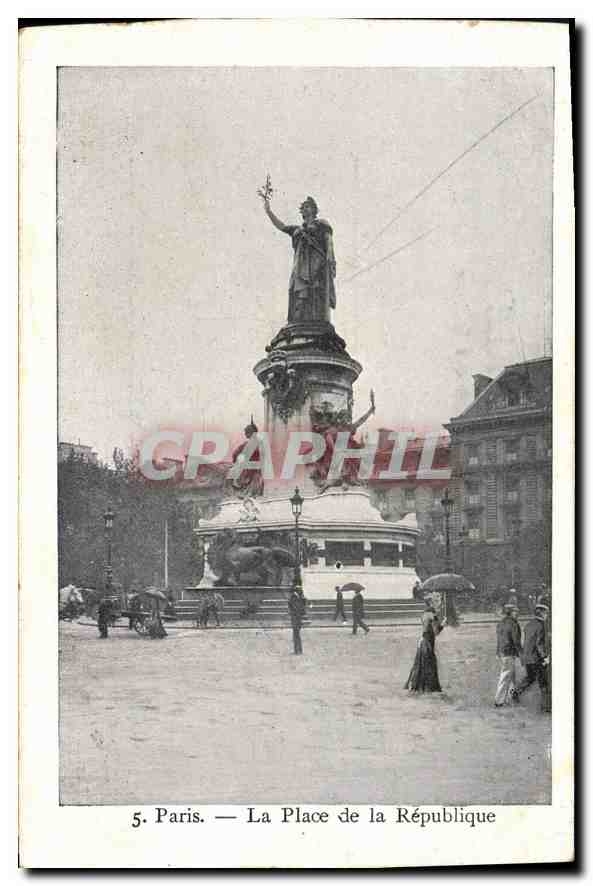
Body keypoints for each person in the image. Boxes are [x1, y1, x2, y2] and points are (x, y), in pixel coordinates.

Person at [263, 194, 336, 323]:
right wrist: (269, 212)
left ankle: (316, 320)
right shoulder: (297, 229)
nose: (305, 209)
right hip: (301, 265)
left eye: (308, 206)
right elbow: (282, 226)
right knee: (300, 290)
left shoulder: (322, 224)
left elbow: (328, 241)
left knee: (316, 289)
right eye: (303, 207)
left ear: (314, 209)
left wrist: (330, 257)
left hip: (316, 262)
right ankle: (299, 319)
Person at [512, 603, 550, 712]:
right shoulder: (541, 625)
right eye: (546, 613)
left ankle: (516, 692)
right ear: (542, 613)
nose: (547, 615)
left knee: (530, 678)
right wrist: (545, 657)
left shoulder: (529, 624)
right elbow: (539, 644)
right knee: (544, 682)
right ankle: (546, 707)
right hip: (536, 658)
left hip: (527, 656)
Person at [405, 598, 445, 692]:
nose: (438, 603)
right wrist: (443, 624)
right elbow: (436, 632)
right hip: (428, 642)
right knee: (430, 664)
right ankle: (429, 687)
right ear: (431, 603)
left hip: (423, 640)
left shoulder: (424, 614)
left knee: (420, 664)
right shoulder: (432, 615)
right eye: (436, 601)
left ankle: (418, 686)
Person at [494, 603, 523, 707]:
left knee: (511, 676)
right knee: (506, 675)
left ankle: (512, 698)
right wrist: (521, 653)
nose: (518, 614)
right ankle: (499, 700)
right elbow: (516, 641)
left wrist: (497, 652)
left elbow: (499, 640)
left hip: (502, 653)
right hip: (509, 652)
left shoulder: (500, 623)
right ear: (510, 612)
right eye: (516, 612)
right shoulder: (514, 624)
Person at [288, 584, 306, 654]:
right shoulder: (295, 597)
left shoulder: (297, 597)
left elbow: (298, 607)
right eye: (300, 590)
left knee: (296, 635)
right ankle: (298, 650)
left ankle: (298, 650)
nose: (301, 591)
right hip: (296, 618)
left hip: (296, 618)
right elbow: (293, 606)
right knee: (296, 635)